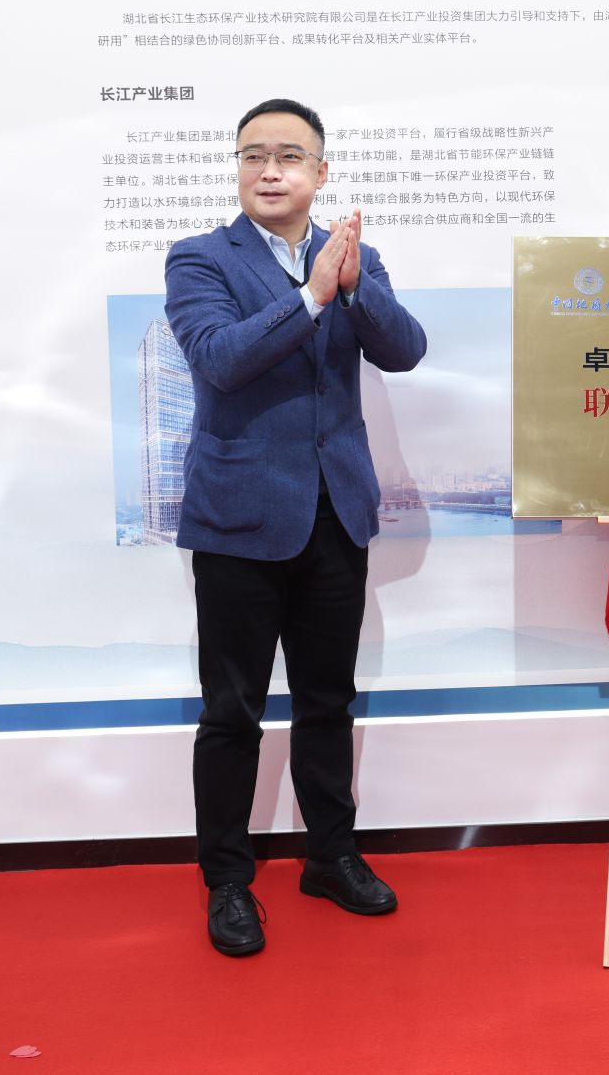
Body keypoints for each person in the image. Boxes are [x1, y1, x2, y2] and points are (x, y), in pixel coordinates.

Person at [164, 97, 428, 955]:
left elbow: (404, 350)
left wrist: (352, 288)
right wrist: (313, 298)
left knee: (327, 702)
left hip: (333, 516)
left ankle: (331, 856)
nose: (269, 171)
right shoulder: (200, 257)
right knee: (231, 711)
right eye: (253, 156)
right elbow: (219, 360)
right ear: (238, 169)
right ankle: (226, 881)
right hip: (238, 520)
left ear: (320, 172)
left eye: (287, 156)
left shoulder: (355, 255)